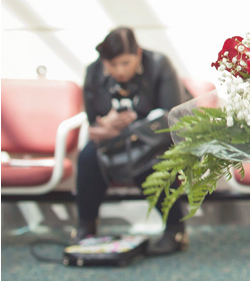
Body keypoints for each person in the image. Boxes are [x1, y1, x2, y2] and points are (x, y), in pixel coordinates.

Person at [76, 26, 189, 255]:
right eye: (112, 65)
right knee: (88, 156)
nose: (119, 71)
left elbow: (171, 116)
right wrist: (105, 126)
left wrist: (126, 131)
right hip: (114, 142)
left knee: (151, 160)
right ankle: (86, 226)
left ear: (137, 54)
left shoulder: (158, 65)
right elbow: (93, 119)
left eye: (125, 63)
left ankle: (174, 230)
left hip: (156, 139)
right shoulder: (94, 72)